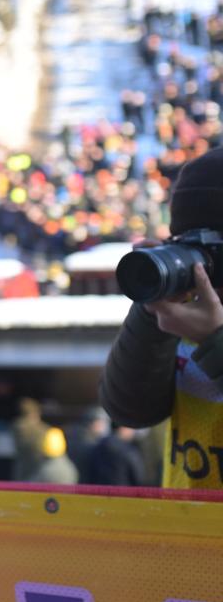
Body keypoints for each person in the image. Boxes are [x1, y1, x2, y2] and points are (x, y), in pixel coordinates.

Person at [101, 147, 223, 490]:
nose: (204, 270)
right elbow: (129, 410)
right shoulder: (183, 312)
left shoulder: (201, 322)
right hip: (185, 535)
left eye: (214, 252)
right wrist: (150, 306)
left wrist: (214, 337)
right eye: (191, 247)